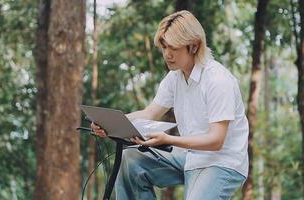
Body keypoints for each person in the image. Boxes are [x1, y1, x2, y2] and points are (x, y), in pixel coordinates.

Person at [91, 10, 249, 200]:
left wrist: (168, 140)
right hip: (190, 155)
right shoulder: (175, 77)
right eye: (164, 47)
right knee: (131, 161)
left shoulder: (218, 79)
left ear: (194, 46)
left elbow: (216, 140)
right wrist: (108, 123)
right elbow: (149, 113)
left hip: (222, 161)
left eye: (173, 47)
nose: (167, 54)